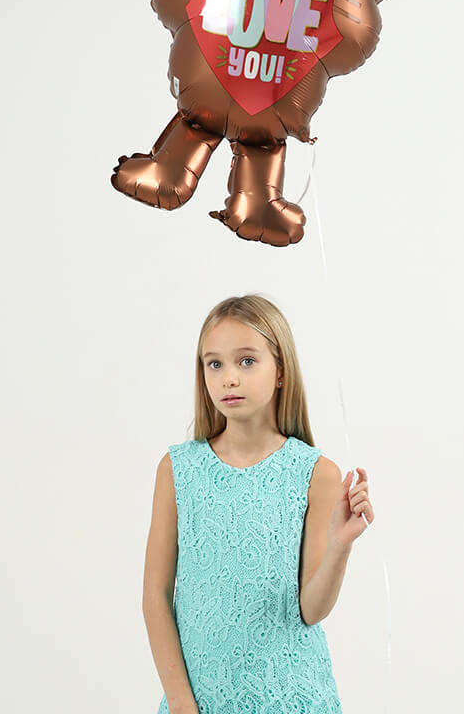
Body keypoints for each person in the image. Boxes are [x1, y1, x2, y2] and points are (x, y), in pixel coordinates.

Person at [142, 295, 374, 714]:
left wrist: (340, 547)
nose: (229, 378)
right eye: (215, 364)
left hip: (294, 699)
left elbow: (311, 609)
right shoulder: (177, 470)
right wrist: (180, 704)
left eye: (247, 361)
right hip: (200, 704)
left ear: (280, 370)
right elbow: (156, 596)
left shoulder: (315, 473)